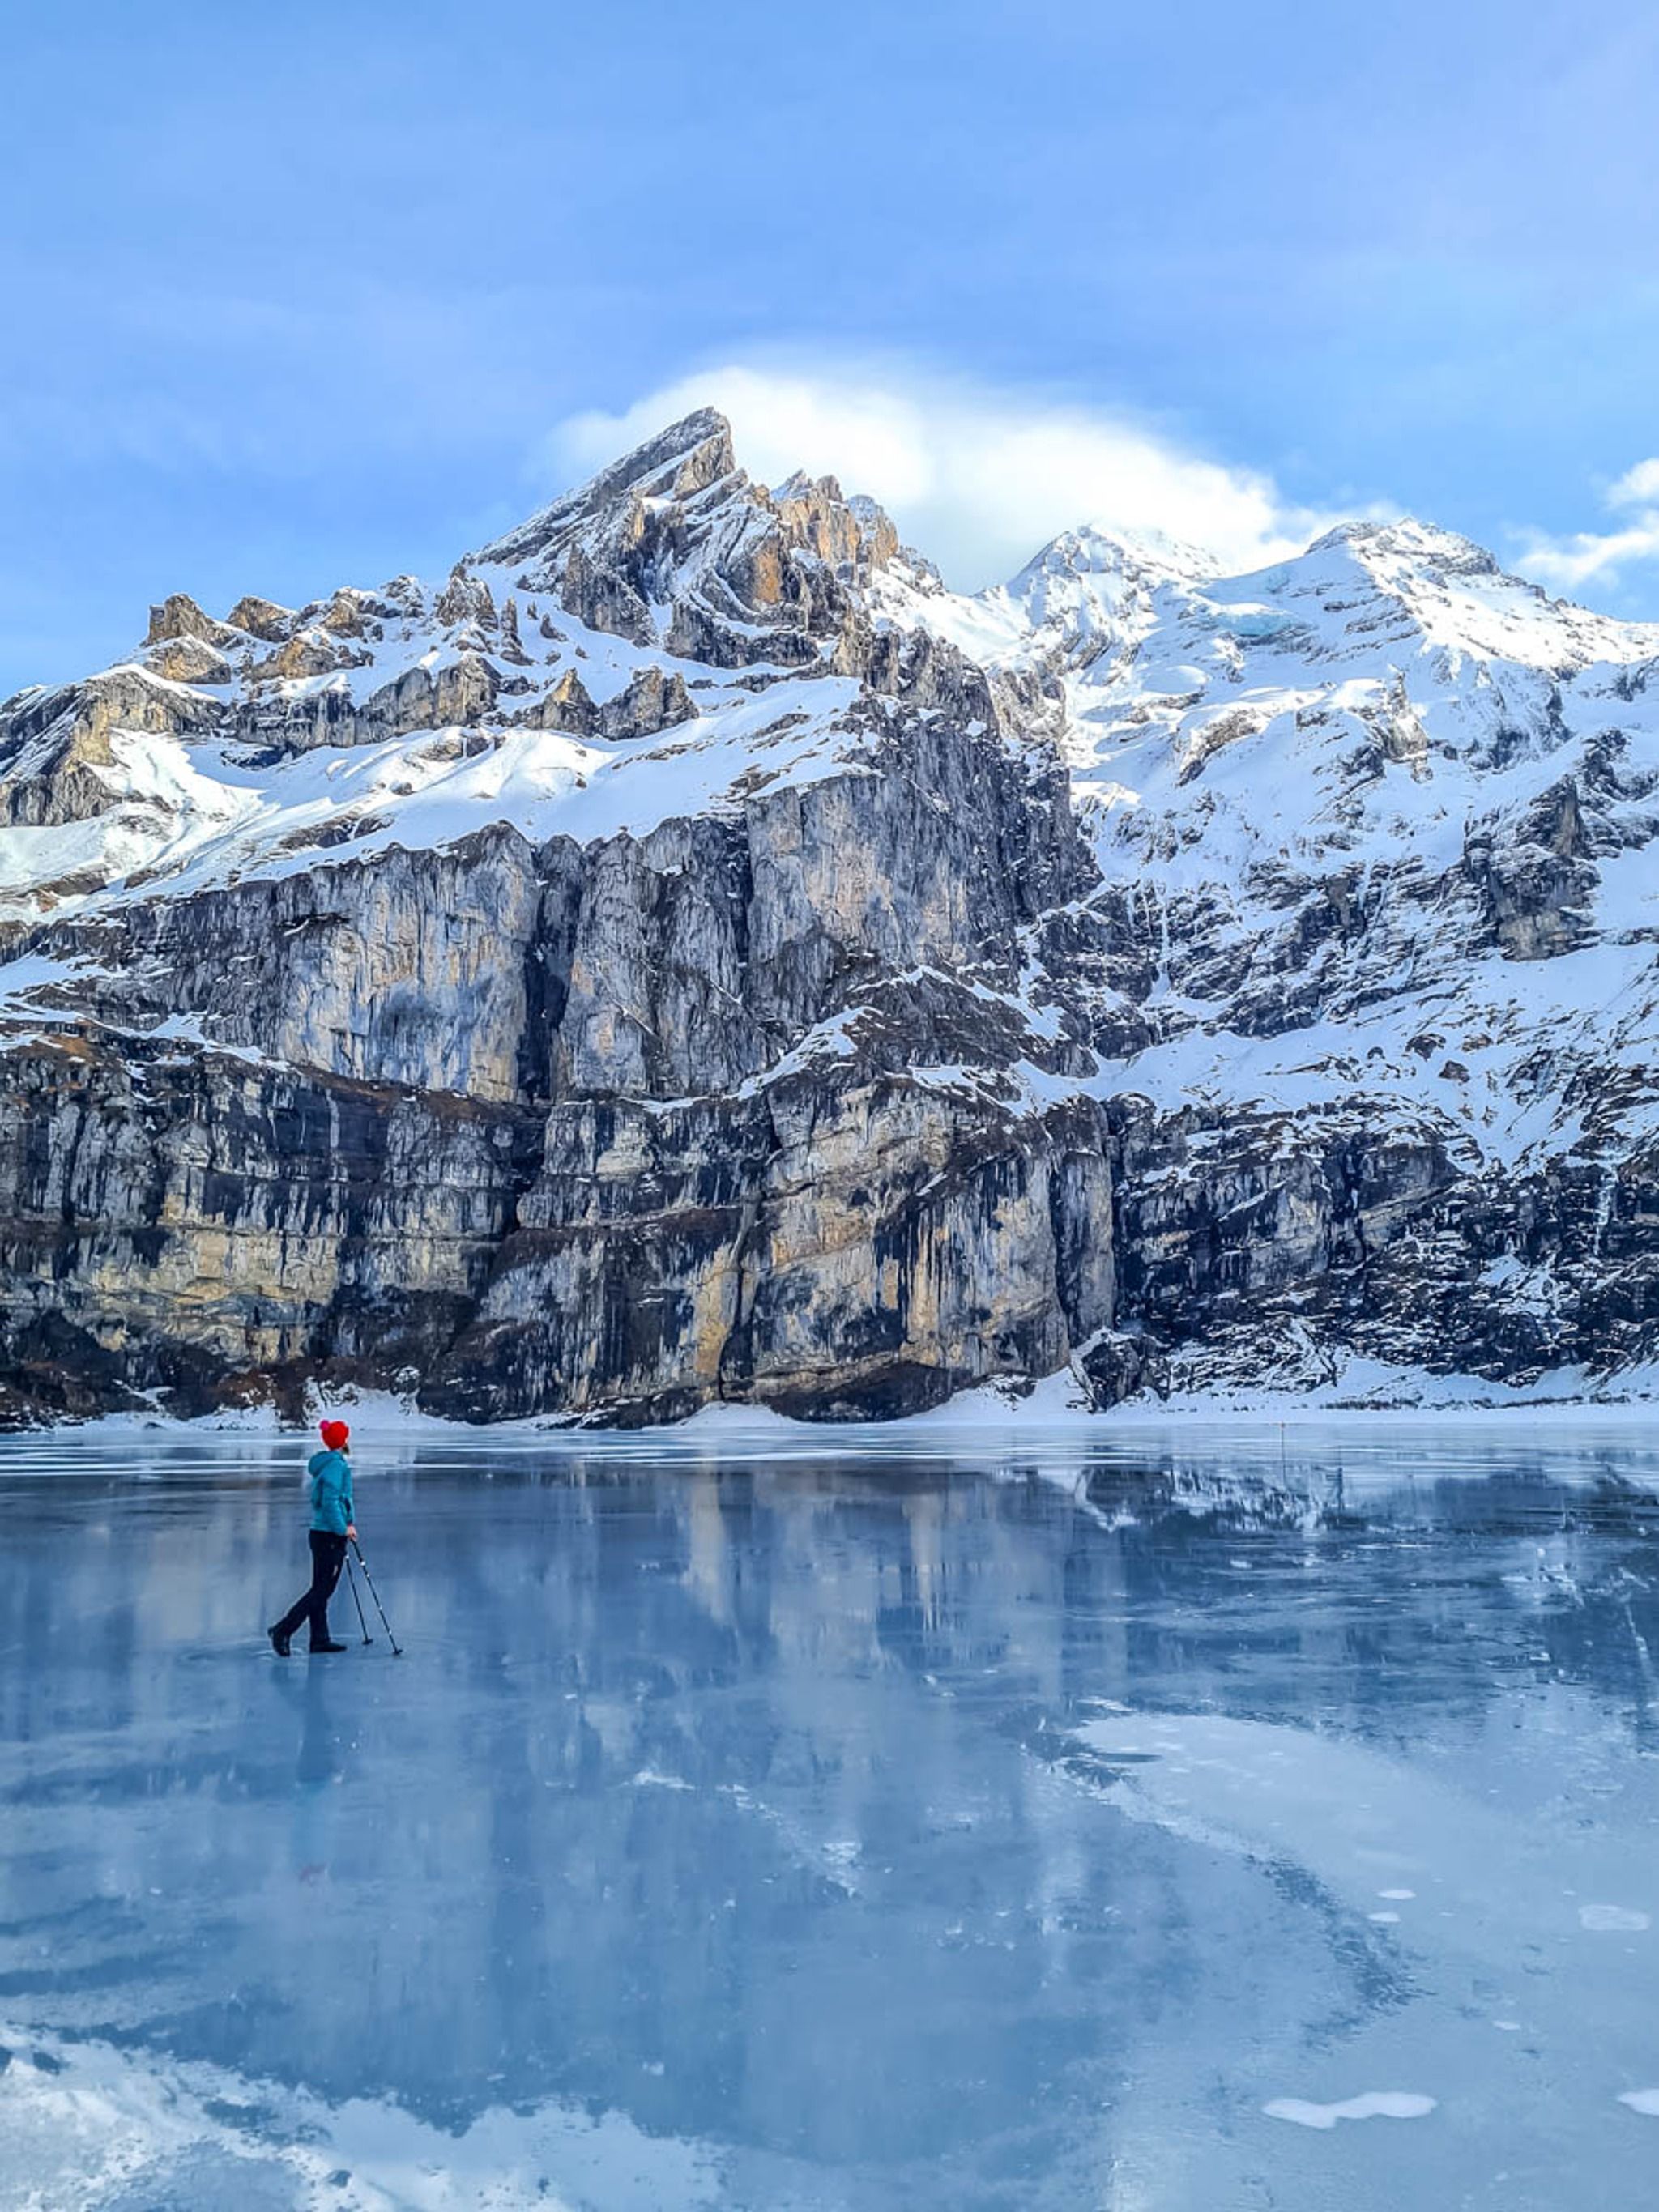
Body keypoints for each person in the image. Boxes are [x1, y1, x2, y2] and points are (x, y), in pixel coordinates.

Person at [268, 1419, 359, 1656]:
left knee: (320, 1588)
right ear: (343, 1441)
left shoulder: (328, 1464)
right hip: (329, 1536)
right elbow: (331, 1502)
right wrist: (344, 1529)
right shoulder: (336, 1467)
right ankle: (283, 1630)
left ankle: (319, 1639)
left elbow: (336, 1502)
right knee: (321, 1591)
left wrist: (346, 1524)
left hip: (321, 1534)